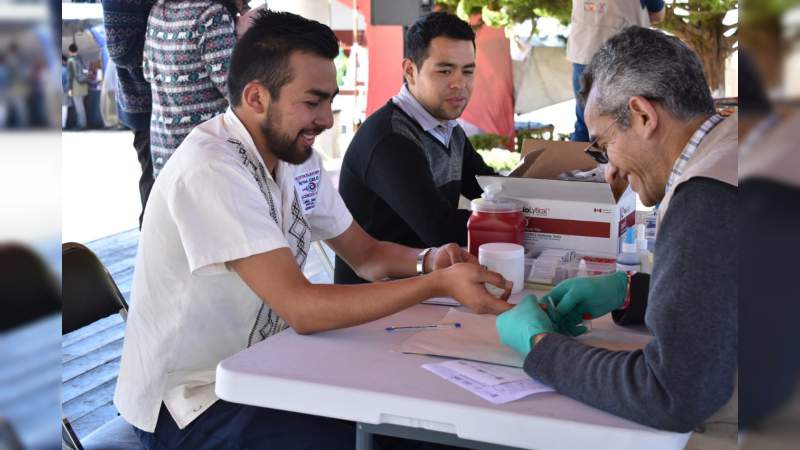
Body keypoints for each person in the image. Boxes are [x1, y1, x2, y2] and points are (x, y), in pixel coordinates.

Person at [114, 10, 513, 449]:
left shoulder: (295, 161)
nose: (325, 119)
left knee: (419, 417)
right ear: (256, 97)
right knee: (389, 437)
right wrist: (436, 283)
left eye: (330, 101)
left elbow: (368, 256)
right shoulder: (211, 169)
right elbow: (302, 309)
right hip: (193, 402)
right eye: (311, 102)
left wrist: (429, 259)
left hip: (269, 366)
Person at [496, 26, 737, 443]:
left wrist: (541, 346)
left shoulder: (706, 196)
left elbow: (670, 395)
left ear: (643, 116)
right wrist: (632, 292)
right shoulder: (738, 142)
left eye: (604, 145)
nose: (608, 170)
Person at [335, 12, 533, 285]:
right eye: (444, 70)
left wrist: (542, 199)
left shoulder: (448, 128)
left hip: (427, 288)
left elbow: (488, 188)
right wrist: (521, 219)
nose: (459, 83)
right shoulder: (390, 138)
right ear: (409, 71)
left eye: (468, 71)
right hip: (377, 303)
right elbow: (440, 229)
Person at [143, 0, 245, 177]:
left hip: (164, 151)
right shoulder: (211, 15)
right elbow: (237, 91)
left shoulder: (158, 10)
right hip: (204, 155)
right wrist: (245, 37)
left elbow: (147, 72)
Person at [567, 0, 665, 142]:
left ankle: (578, 162)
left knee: (585, 125)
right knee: (626, 126)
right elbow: (657, 14)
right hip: (623, 54)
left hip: (585, 50)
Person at [102, 0, 156, 228]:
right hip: (148, 102)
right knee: (157, 186)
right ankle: (152, 254)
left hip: (167, 99)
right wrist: (173, 47)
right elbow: (120, 50)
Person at [66, 43, 88, 130]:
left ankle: (81, 125)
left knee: (79, 107)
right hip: (84, 85)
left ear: (69, 51)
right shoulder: (80, 59)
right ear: (76, 50)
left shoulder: (70, 60)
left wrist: (70, 88)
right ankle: (81, 123)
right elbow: (85, 70)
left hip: (76, 86)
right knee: (81, 106)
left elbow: (70, 76)